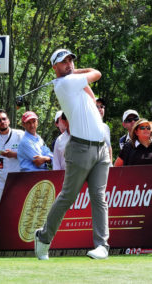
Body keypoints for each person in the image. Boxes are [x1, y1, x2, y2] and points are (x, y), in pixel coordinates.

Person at [34, 49, 110, 260]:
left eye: (70, 61)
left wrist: (74, 72)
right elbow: (97, 73)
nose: (69, 64)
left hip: (101, 149)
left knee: (99, 197)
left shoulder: (75, 82)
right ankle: (43, 237)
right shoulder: (66, 84)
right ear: (54, 67)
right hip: (80, 149)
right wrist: (76, 72)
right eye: (63, 62)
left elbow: (92, 97)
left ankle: (102, 245)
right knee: (68, 197)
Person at [0, 109, 24, 214]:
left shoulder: (20, 135)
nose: (2, 122)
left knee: (18, 212)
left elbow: (31, 155)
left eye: (4, 119)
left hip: (17, 180)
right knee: (0, 213)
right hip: (0, 182)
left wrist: (14, 155)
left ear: (9, 121)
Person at [96, 98, 113, 165]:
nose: (100, 109)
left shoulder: (106, 127)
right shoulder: (88, 126)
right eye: (97, 106)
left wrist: (111, 164)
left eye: (102, 106)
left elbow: (109, 147)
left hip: (106, 166)